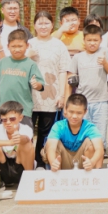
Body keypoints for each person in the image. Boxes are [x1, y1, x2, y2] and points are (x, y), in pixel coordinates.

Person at [26, 10, 69, 167]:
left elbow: (63, 71)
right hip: (29, 96)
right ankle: (26, 165)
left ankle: (41, 162)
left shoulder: (59, 45)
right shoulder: (29, 44)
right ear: (34, 25)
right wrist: (26, 55)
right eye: (40, 23)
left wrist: (62, 95)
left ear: (52, 25)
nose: (43, 26)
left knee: (46, 132)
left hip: (51, 95)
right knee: (27, 132)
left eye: (46, 23)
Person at [67, 24, 108, 152]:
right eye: (89, 40)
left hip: (101, 101)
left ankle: (99, 157)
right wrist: (67, 102)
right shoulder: (78, 57)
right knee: (82, 133)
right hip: (82, 103)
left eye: (95, 40)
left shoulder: (104, 52)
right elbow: (70, 79)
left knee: (100, 134)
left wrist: (105, 63)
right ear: (84, 40)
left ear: (100, 40)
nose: (92, 43)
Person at [0, 29, 45, 127]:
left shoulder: (31, 64)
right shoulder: (3, 62)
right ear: (8, 46)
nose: (17, 49)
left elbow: (41, 86)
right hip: (1, 109)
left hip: (22, 110)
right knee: (2, 139)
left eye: (20, 46)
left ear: (27, 46)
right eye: (13, 46)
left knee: (23, 138)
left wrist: (36, 84)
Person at [44, 93, 104, 171]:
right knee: (54, 145)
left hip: (83, 162)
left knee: (91, 145)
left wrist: (92, 162)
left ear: (85, 112)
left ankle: (90, 175)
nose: (74, 116)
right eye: (71, 112)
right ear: (65, 109)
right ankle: (57, 175)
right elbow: (51, 147)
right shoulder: (58, 126)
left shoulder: (90, 127)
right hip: (62, 160)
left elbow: (99, 149)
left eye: (79, 113)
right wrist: (53, 162)